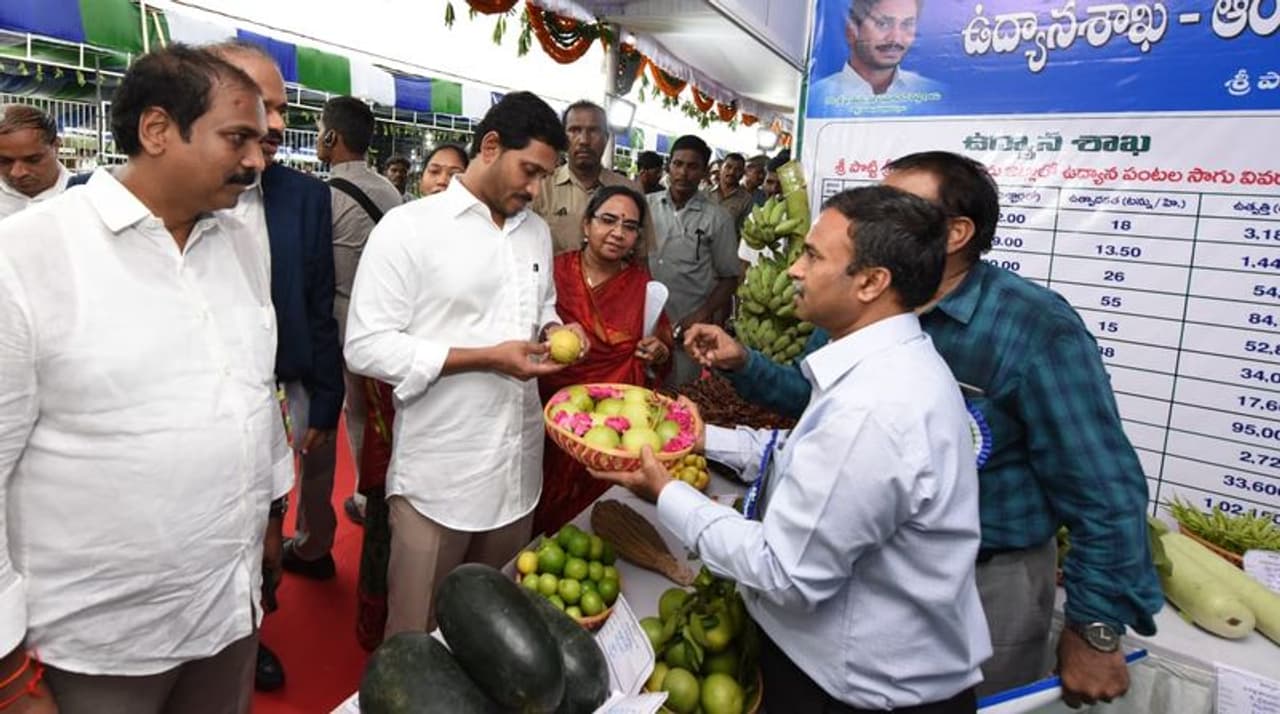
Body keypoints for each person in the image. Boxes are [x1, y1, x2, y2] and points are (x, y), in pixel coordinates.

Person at [685, 151, 1162, 706]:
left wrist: (1096, 625)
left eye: (901, 205)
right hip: (868, 563)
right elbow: (812, 403)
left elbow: (1103, 485)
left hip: (989, 574)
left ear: (957, 232)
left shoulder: (1032, 328)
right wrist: (745, 364)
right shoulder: (863, 314)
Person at [596, 185, 990, 713]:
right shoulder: (882, 370)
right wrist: (697, 438)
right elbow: (802, 454)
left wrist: (666, 491)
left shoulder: (874, 408)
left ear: (872, 282)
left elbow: (782, 571)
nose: (793, 271)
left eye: (812, 256)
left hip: (857, 693)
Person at [0, 44, 286, 714]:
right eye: (238, 137)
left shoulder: (240, 240)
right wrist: (8, 674)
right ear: (158, 130)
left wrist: (273, 510)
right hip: (97, 645)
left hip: (228, 611)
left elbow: (254, 386)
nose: (255, 158)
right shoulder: (27, 255)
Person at [345, 91, 588, 635]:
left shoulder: (535, 232)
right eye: (529, 171)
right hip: (440, 476)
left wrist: (554, 329)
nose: (535, 189)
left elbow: (539, 306)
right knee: (416, 641)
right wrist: (484, 358)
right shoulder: (409, 230)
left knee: (491, 638)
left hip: (516, 473)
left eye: (545, 177)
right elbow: (365, 345)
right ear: (491, 146)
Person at [210, 38, 344, 693]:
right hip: (198, 408)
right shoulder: (157, 207)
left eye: (283, 108)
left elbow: (320, 305)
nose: (276, 124)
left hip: (276, 392)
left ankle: (254, 631)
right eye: (261, 106)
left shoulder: (304, 198)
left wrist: (324, 399)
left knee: (267, 534)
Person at [274, 96, 403, 583]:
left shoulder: (323, 197)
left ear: (330, 138)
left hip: (341, 326)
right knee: (377, 422)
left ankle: (313, 542)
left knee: (322, 432)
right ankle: (372, 501)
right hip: (389, 326)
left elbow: (312, 277)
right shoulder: (389, 190)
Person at [349, 140, 468, 650]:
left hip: (451, 409)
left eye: (454, 173)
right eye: (434, 171)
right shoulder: (397, 232)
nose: (442, 180)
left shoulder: (479, 245)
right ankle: (375, 629)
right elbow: (369, 335)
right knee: (383, 516)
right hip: (389, 394)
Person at [533, 185, 673, 537]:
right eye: (608, 220)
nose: (618, 233)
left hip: (614, 425)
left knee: (595, 517)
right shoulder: (554, 273)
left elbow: (662, 344)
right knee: (540, 509)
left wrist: (658, 351)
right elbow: (527, 327)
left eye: (629, 226)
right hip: (549, 415)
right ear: (585, 225)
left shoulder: (642, 286)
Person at [647, 134, 740, 387]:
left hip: (685, 328)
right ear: (668, 166)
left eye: (692, 166)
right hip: (644, 324)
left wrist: (701, 314)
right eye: (678, 164)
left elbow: (730, 278)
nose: (683, 173)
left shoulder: (717, 218)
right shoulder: (646, 207)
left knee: (679, 399)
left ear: (704, 172)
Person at [531, 100, 653, 256]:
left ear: (606, 138)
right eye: (574, 130)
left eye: (593, 131)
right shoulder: (539, 188)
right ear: (563, 138)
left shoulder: (631, 192)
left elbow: (640, 257)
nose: (584, 140)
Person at [808, 0, 942, 113]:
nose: (895, 39)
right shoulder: (815, 98)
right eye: (883, 24)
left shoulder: (937, 94)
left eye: (907, 25)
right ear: (851, 31)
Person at [0, 104, 69, 220]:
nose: (17, 173)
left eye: (33, 160)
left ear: (56, 146)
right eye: (4, 161)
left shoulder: (88, 196)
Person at [704, 152, 752, 232]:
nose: (732, 172)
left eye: (738, 169)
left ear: (742, 173)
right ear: (721, 168)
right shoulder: (705, 192)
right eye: (728, 167)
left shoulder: (746, 200)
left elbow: (744, 230)